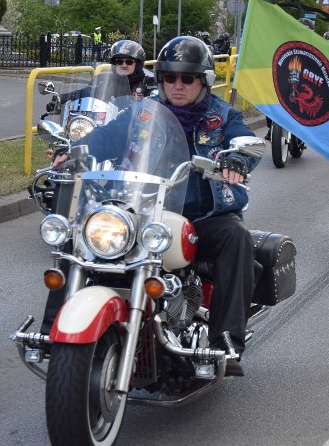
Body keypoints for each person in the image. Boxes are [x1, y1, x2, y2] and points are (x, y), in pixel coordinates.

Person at [52, 35, 258, 377]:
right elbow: (107, 136)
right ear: (160, 80)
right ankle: (55, 330)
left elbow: (241, 139)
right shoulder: (143, 114)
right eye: (170, 77)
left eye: (187, 78)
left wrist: (237, 158)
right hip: (144, 212)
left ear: (203, 80)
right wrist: (75, 149)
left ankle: (226, 341)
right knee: (81, 239)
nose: (178, 85)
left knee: (236, 237)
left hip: (204, 216)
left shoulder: (222, 115)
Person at [49, 40, 155, 109]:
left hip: (135, 134)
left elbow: (158, 106)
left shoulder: (148, 83)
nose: (123, 65)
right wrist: (61, 98)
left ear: (138, 64)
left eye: (129, 62)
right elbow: (85, 93)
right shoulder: (103, 80)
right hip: (105, 130)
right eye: (119, 61)